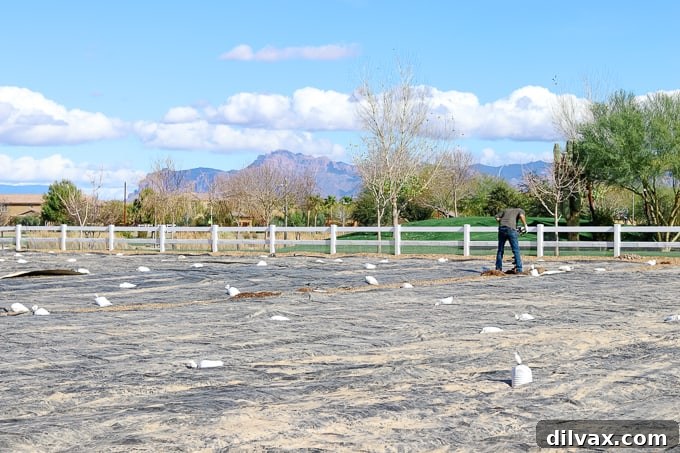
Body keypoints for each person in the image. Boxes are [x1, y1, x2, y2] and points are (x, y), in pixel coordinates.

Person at [495, 207, 528, 274]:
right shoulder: (520, 210)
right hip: (511, 229)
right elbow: (521, 216)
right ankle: (518, 269)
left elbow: (497, 217)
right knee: (516, 250)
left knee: (500, 250)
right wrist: (525, 226)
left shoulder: (505, 210)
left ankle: (498, 269)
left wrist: (503, 221)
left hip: (501, 229)